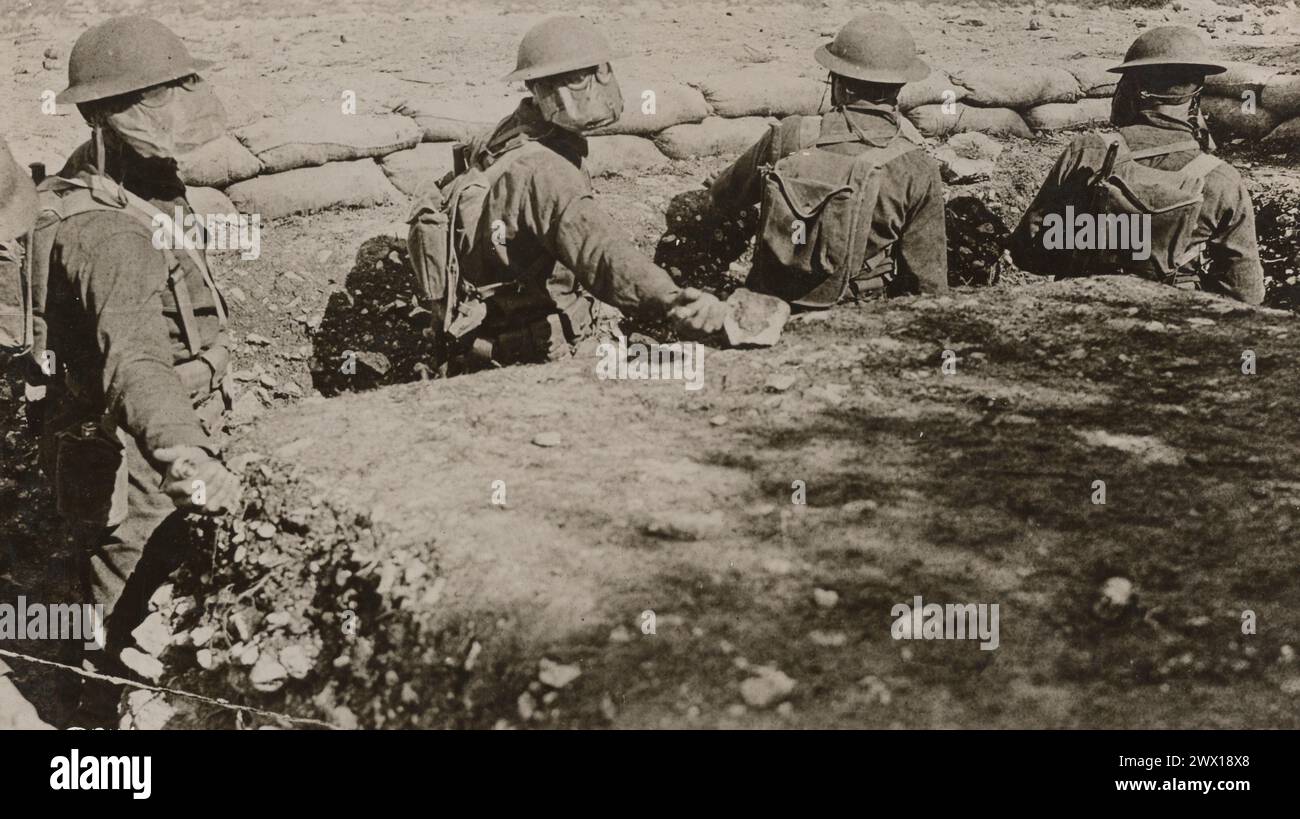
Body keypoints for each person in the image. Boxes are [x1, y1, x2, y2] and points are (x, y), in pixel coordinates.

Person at [35, 16, 242, 724]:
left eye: (180, 87)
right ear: (101, 116)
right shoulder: (108, 234)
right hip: (139, 458)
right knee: (121, 626)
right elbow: (136, 359)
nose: (177, 107)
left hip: (153, 433)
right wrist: (185, 453)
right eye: (151, 98)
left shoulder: (137, 178)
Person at [407, 16, 730, 373]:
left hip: (478, 340)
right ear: (566, 84)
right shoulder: (548, 173)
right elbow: (603, 254)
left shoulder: (503, 137)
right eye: (593, 72)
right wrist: (671, 300)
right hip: (545, 356)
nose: (604, 81)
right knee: (693, 370)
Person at [705, 13, 948, 309]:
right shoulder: (917, 167)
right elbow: (926, 285)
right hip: (857, 315)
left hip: (769, 305)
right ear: (898, 88)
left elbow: (724, 195)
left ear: (839, 84)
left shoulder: (790, 134)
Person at [1010, 26, 1263, 304]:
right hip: (1171, 324)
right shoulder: (1221, 179)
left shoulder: (1087, 151)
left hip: (1083, 313)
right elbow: (1245, 292)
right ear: (1197, 93)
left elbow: (1028, 253)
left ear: (1130, 86)